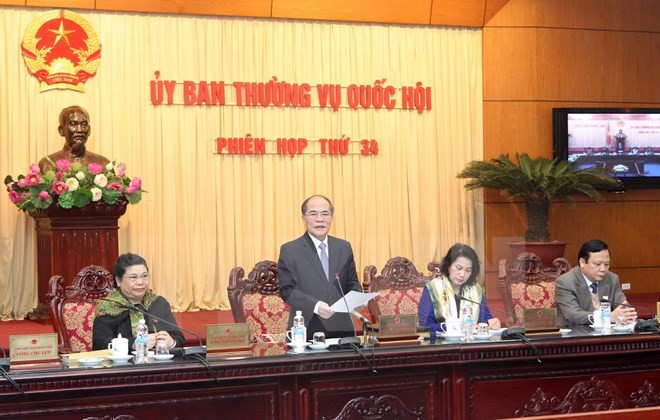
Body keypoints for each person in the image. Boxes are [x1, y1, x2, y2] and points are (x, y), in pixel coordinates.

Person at [278, 195, 363, 339]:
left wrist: (357, 298)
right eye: (313, 214)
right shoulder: (290, 250)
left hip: (342, 329)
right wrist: (316, 306)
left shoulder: (344, 247)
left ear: (332, 217)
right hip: (306, 329)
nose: (320, 219)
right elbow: (287, 290)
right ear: (303, 218)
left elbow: (352, 282)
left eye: (325, 214)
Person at [92, 253, 185, 351]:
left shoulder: (158, 303)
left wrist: (171, 341)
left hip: (157, 364)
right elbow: (101, 344)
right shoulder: (107, 306)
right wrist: (134, 344)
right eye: (133, 277)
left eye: (144, 276)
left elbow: (178, 338)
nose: (140, 282)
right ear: (118, 280)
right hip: (122, 364)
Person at [418, 243, 501, 333]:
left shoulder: (475, 290)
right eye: (458, 268)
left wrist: (491, 322)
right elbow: (425, 325)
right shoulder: (433, 288)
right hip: (442, 344)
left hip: (471, 343)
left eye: (468, 270)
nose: (462, 274)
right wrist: (454, 327)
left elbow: (484, 318)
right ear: (448, 266)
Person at [555, 239, 637, 328]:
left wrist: (626, 313)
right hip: (575, 334)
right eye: (598, 264)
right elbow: (573, 315)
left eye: (607, 264)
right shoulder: (565, 282)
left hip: (607, 334)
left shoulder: (612, 279)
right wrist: (608, 317)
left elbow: (624, 307)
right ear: (582, 262)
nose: (603, 269)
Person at [38, 105, 110, 173]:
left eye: (84, 125)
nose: (79, 130)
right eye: (73, 124)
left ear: (89, 130)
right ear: (61, 130)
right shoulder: (47, 165)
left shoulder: (104, 164)